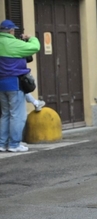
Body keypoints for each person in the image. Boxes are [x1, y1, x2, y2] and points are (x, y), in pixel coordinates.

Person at [0, 20, 40, 152]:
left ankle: (2, 143)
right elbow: (35, 47)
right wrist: (30, 38)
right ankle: (14, 144)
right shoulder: (15, 44)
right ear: (11, 31)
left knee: (5, 114)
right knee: (17, 115)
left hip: (1, 83)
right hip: (15, 83)